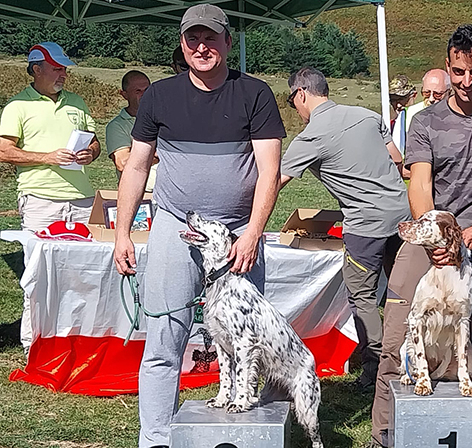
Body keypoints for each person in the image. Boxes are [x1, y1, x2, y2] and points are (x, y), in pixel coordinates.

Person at [111, 5, 285, 447]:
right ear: (183, 45)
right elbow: (135, 168)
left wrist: (251, 233)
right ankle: (154, 440)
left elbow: (270, 172)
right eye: (193, 40)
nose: (202, 47)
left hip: (237, 235)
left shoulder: (255, 94)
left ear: (228, 42)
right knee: (164, 343)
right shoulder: (159, 96)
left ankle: (249, 435)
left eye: (211, 39)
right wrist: (122, 233)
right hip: (174, 227)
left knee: (249, 342)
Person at [370, 24, 472, 448]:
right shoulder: (425, 121)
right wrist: (436, 239)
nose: (467, 82)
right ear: (448, 68)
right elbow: (420, 182)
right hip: (429, 241)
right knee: (396, 343)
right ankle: (387, 436)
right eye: (459, 72)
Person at [279, 66, 411, 391]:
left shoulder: (310, 137)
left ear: (301, 94)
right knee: (402, 291)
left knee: (363, 296)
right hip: (403, 214)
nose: (295, 109)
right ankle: (411, 357)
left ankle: (378, 367)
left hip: (365, 226)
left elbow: (275, 183)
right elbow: (397, 160)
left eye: (292, 100)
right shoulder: (368, 116)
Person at [0, 41, 101, 354]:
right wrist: (48, 157)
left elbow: (95, 142)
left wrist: (90, 154)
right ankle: (35, 345)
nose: (63, 74)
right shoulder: (17, 106)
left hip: (82, 200)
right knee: (39, 274)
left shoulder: (78, 102)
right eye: (56, 68)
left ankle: (80, 342)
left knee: (85, 272)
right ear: (35, 69)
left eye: (64, 69)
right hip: (41, 200)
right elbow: (4, 151)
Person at [106, 70, 158, 192]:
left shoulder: (163, 119)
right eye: (138, 91)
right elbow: (123, 163)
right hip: (140, 193)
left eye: (147, 90)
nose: (144, 95)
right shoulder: (117, 125)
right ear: (124, 95)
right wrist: (159, 154)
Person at [388, 74, 416, 156]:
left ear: (413, 96)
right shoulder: (390, 126)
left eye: (401, 99)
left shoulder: (423, 123)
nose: (398, 105)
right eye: (393, 100)